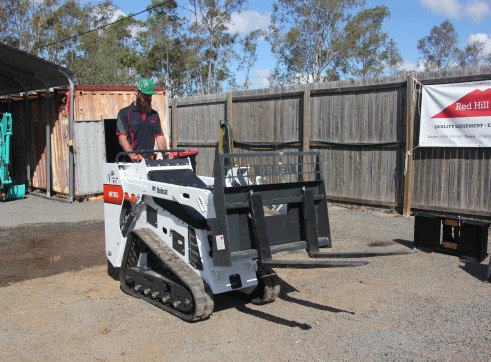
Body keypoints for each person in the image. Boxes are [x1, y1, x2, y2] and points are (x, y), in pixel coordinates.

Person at [116, 77, 172, 162]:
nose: (148, 98)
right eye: (145, 95)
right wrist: (133, 156)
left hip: (150, 162)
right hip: (130, 163)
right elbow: (122, 139)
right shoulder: (124, 113)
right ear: (136, 92)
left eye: (150, 95)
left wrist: (166, 153)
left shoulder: (154, 115)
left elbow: (160, 137)